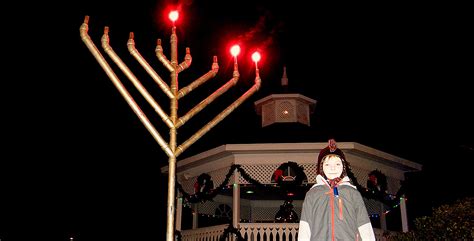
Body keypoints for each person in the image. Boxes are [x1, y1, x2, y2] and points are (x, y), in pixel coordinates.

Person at [298, 139, 376, 241]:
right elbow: (305, 227)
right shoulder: (312, 194)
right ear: (321, 168)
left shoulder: (352, 193)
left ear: (343, 167)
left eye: (337, 164)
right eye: (327, 164)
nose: (332, 168)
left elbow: (364, 224)